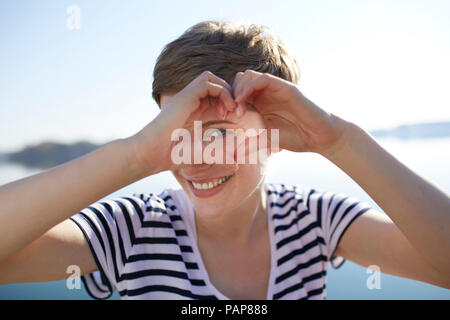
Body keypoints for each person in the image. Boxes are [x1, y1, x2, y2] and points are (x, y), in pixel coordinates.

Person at [0, 21, 448, 300]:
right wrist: (135, 156)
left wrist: (341, 142)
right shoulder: (132, 229)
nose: (194, 161)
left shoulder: (316, 220)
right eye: (175, 133)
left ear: (274, 135)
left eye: (219, 134)